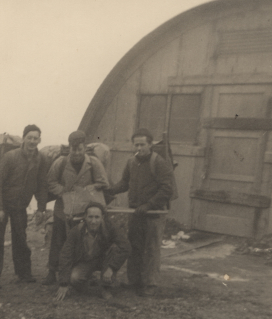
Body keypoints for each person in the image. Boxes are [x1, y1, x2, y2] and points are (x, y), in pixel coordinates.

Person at [106, 128, 174, 296]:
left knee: (151, 249)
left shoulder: (158, 162)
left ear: (150, 145)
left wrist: (149, 205)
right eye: (136, 144)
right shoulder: (131, 162)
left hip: (153, 214)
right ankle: (133, 281)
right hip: (135, 213)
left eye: (142, 144)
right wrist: (111, 190)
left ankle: (150, 284)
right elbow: (124, 182)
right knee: (134, 247)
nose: (139, 148)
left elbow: (167, 189)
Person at [0, 124, 51, 288]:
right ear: (24, 139)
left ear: (39, 140)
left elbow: (41, 185)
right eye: (29, 138)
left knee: (21, 238)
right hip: (2, 203)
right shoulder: (10, 157)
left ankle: (24, 274)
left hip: (20, 205)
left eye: (36, 138)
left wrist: (41, 208)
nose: (32, 141)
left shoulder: (41, 159)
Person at [42, 130, 109, 286]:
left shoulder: (93, 163)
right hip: (63, 208)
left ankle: (80, 271)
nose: (77, 152)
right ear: (69, 148)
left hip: (85, 209)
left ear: (84, 148)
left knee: (80, 240)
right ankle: (52, 271)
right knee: (58, 239)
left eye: (80, 149)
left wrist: (87, 190)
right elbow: (50, 182)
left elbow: (103, 182)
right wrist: (64, 191)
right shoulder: (61, 162)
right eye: (74, 149)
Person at [55, 202, 130, 301]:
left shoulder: (110, 228)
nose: (93, 221)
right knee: (74, 278)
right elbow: (65, 255)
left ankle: (106, 288)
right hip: (87, 260)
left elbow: (125, 246)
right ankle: (90, 282)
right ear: (85, 217)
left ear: (102, 217)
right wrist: (64, 283)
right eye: (90, 217)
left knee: (114, 250)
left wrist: (112, 267)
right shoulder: (76, 231)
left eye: (97, 217)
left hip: (105, 260)